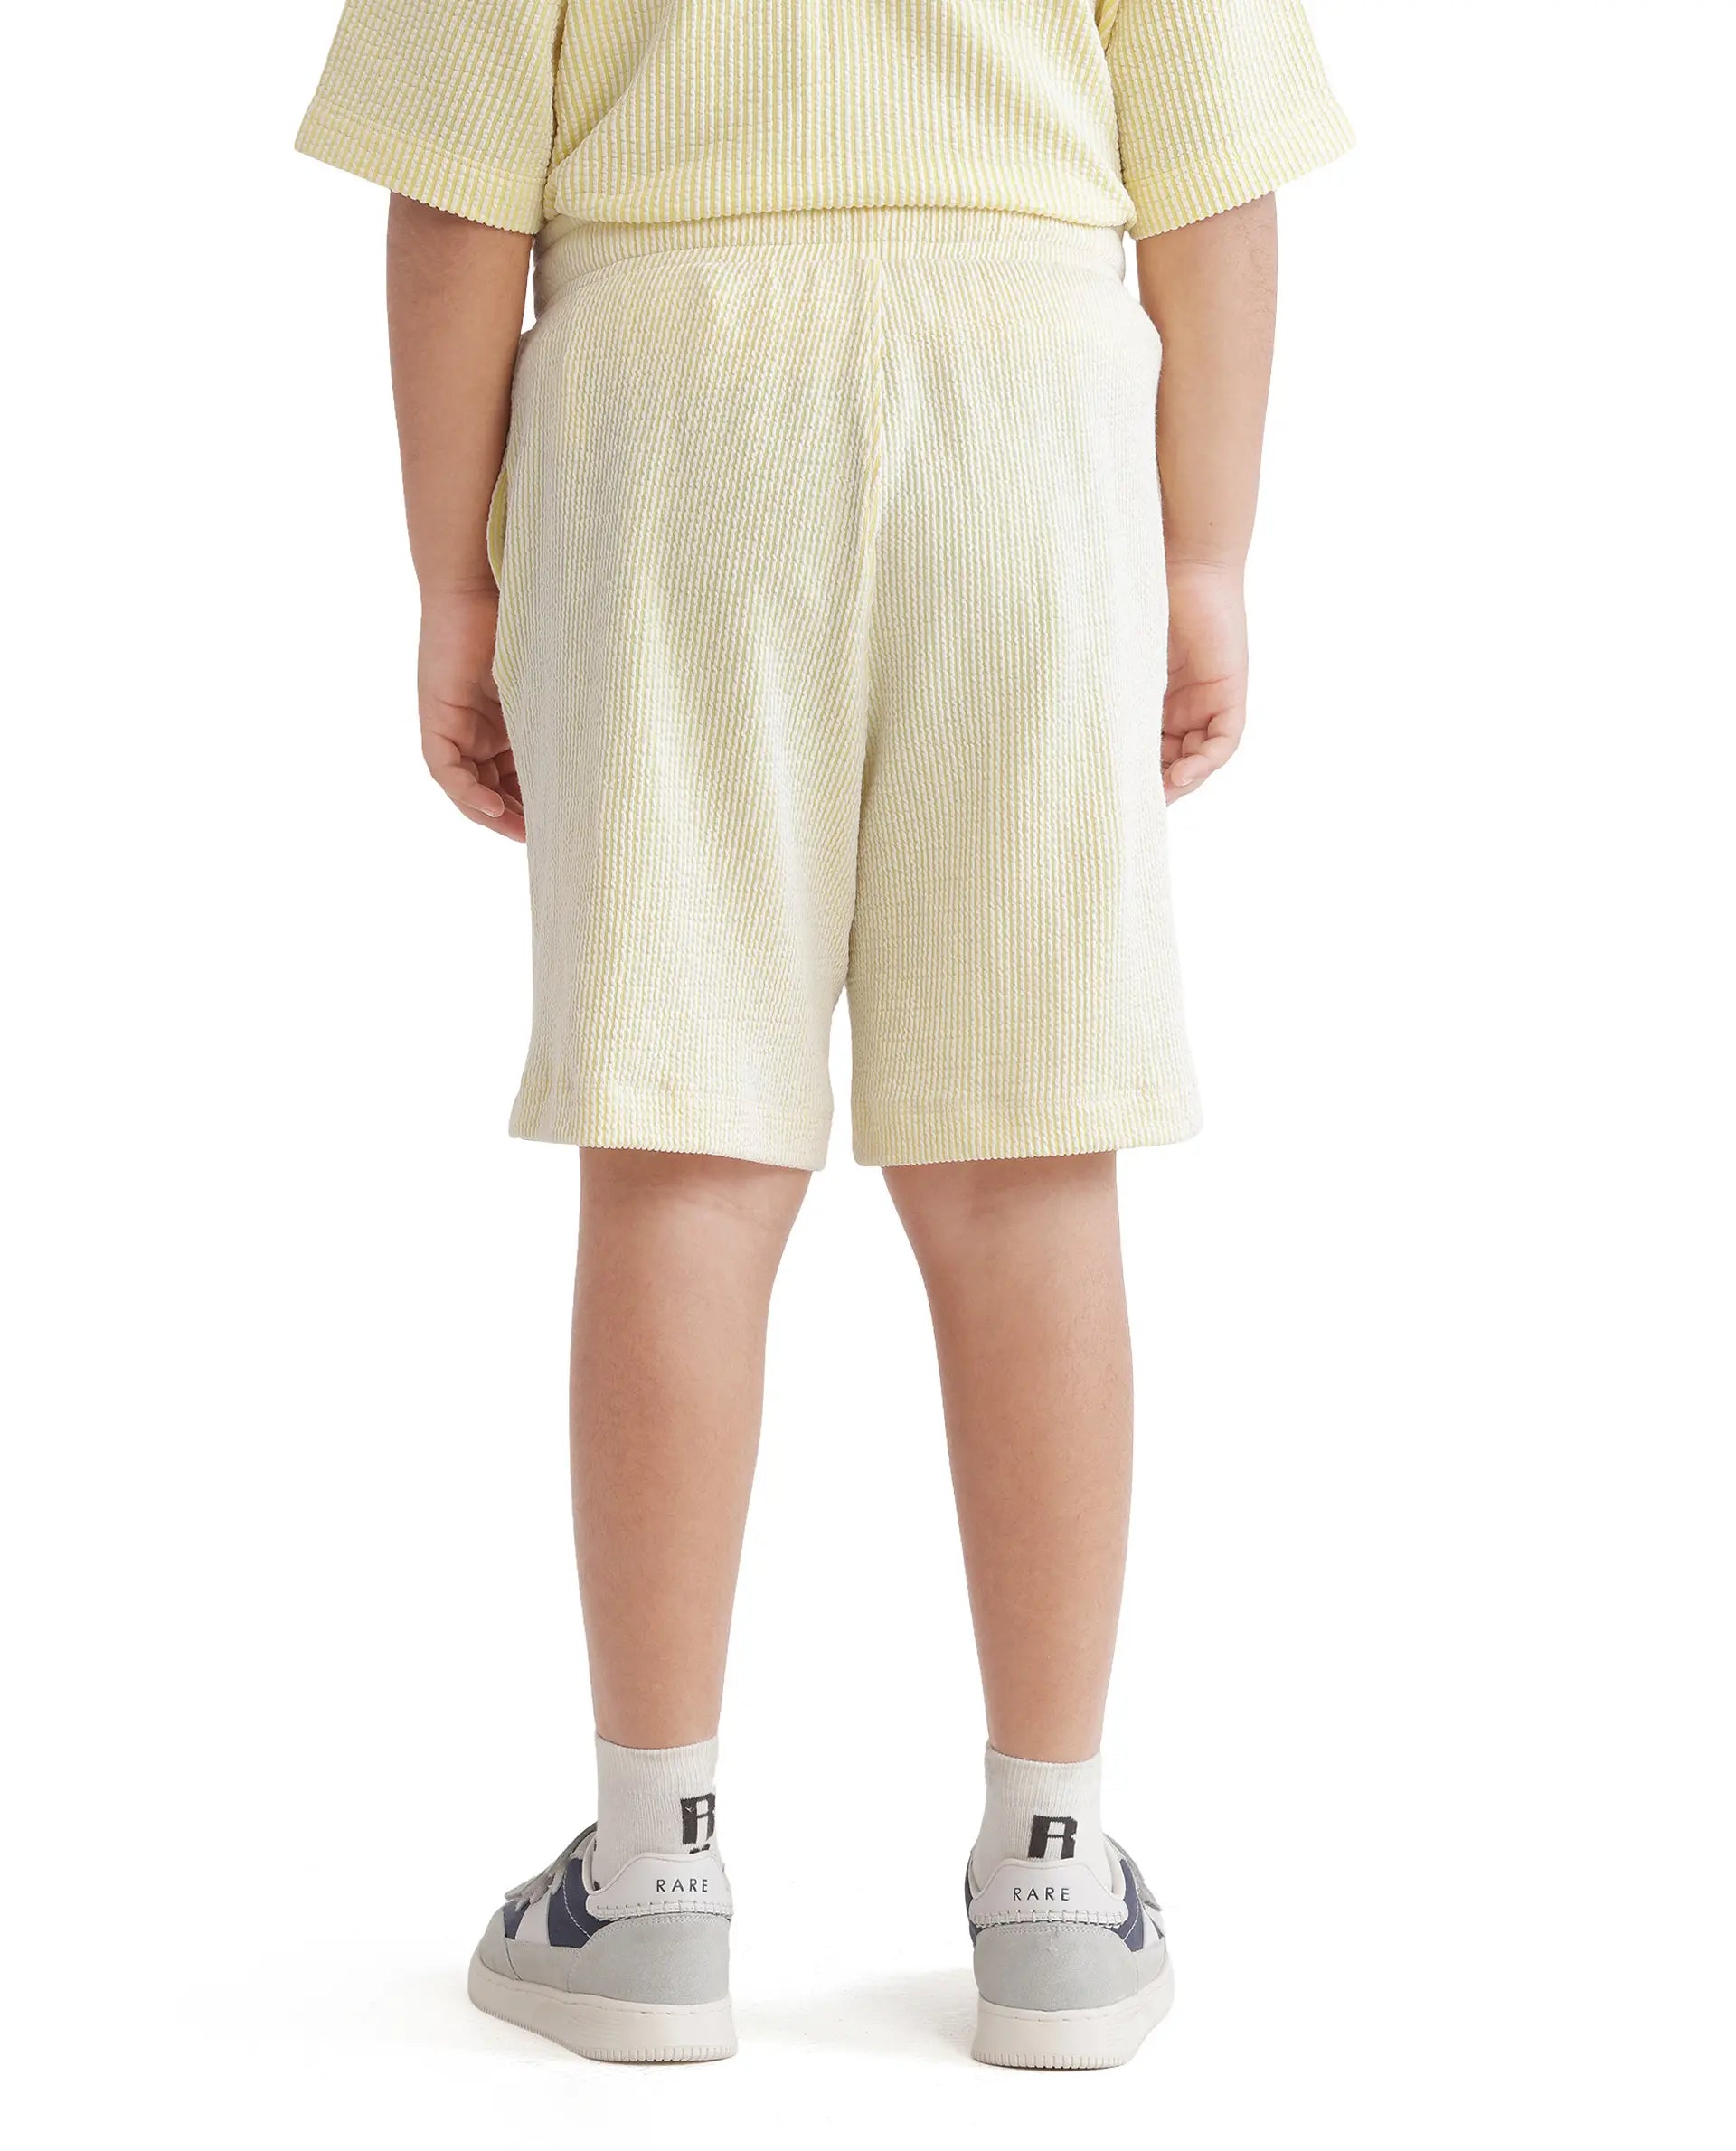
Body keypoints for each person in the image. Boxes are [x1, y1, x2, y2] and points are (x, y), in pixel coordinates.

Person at [297, 0, 1349, 2071]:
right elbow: (1218, 183)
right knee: (1027, 1153)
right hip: (1029, 397)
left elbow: (450, 203)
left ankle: (649, 1871)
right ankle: (1055, 1874)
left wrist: (450, 580)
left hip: (671, 398)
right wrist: (1207, 552)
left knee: (684, 1145)